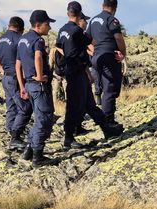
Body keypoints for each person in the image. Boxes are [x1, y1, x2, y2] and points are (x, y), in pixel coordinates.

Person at [56, 1, 111, 149]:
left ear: (68, 13)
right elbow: (92, 41)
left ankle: (106, 128)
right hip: (76, 72)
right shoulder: (76, 31)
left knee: (89, 104)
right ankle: (69, 137)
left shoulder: (62, 30)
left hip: (72, 70)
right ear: (79, 14)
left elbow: (59, 47)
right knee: (75, 105)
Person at [16, 10, 57, 167]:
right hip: (39, 86)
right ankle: (37, 157)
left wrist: (22, 86)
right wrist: (40, 76)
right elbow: (38, 57)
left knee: (40, 117)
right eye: (47, 24)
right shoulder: (38, 40)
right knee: (44, 118)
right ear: (38, 25)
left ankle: (28, 150)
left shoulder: (22, 40)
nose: (50, 28)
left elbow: (18, 64)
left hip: (28, 85)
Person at [0, 16, 32, 151]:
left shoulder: (0, 39)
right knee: (25, 107)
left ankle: (12, 132)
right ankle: (15, 136)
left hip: (6, 77)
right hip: (15, 78)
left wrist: (1, 69)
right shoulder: (19, 40)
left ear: (9, 25)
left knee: (11, 106)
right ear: (21, 28)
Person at [87, 0, 126, 134]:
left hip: (97, 58)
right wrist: (123, 54)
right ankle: (108, 122)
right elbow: (119, 38)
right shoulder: (111, 20)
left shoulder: (93, 20)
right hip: (109, 57)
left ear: (102, 6)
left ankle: (109, 119)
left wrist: (95, 51)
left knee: (104, 87)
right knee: (110, 88)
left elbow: (87, 39)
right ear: (115, 7)